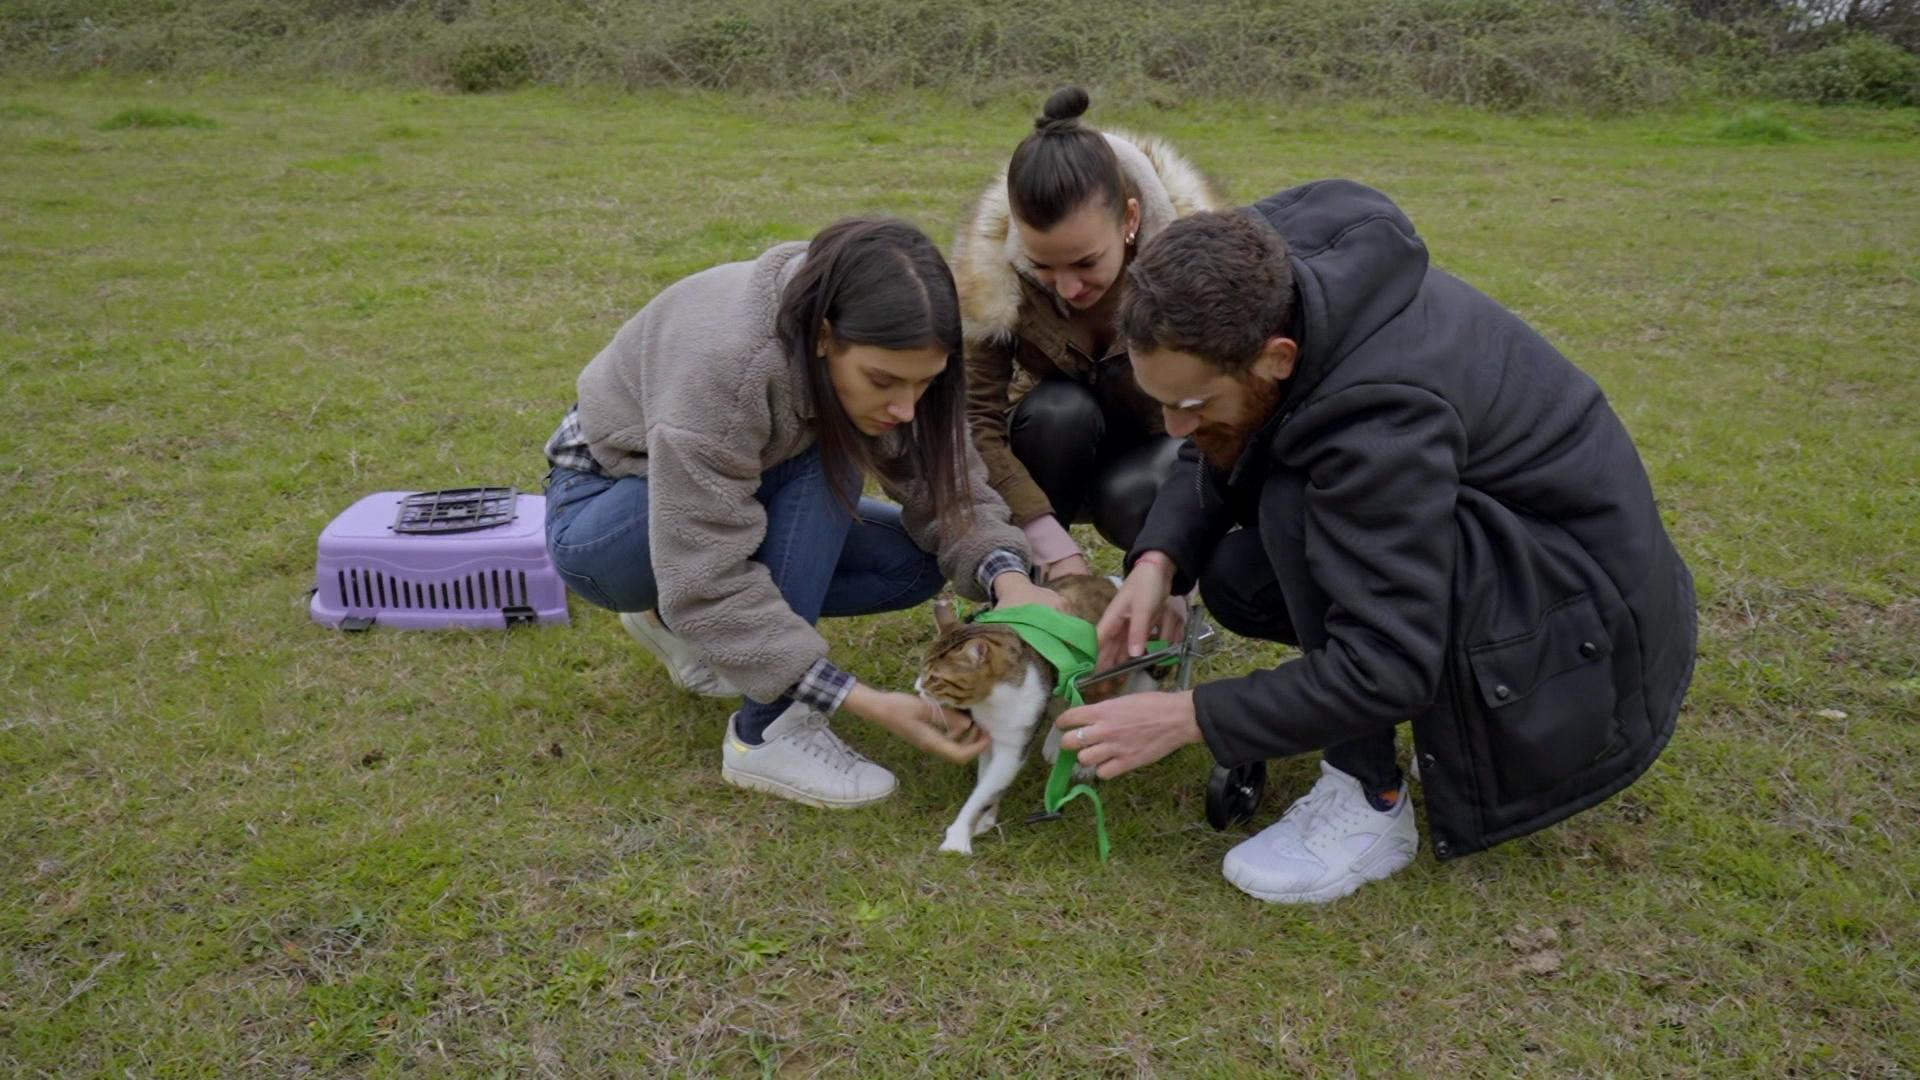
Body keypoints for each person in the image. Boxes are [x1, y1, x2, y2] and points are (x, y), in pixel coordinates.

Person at [1055, 183, 1697, 903]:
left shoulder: (1380, 420)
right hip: (1518, 546)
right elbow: (1226, 434)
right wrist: (1159, 561)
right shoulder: (1268, 275)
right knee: (1238, 573)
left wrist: (1187, 717)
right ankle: (1423, 729)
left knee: (1295, 502)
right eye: (1160, 401)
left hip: (1581, 622)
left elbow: (1390, 665)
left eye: (1191, 405)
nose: (1173, 429)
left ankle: (1369, 800)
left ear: (1277, 357)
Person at [542, 217, 1064, 809]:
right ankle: (768, 731)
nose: (904, 406)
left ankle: (672, 621)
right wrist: (855, 697)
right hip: (607, 519)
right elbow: (707, 575)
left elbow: (947, 485)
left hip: (720, 500)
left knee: (912, 564)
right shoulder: (727, 366)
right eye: (883, 381)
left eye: (924, 384)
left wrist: (1009, 579)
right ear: (822, 335)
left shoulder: (894, 347)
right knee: (824, 456)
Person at [953, 86, 1222, 582]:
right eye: (1043, 266)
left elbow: (1224, 417)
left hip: (1157, 457)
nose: (1069, 287)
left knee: (1136, 495)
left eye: (1086, 262)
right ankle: (1039, 580)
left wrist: (1169, 562)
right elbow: (974, 421)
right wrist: (1047, 541)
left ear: (1132, 220)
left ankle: (1160, 587)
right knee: (1058, 411)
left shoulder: (1199, 274)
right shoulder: (992, 280)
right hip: (1055, 457)